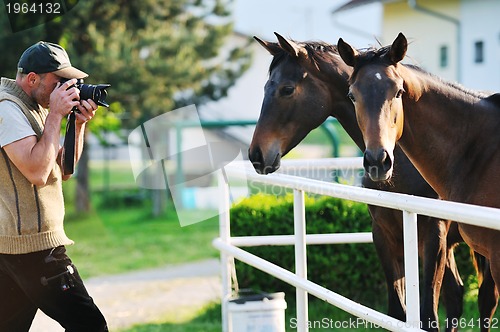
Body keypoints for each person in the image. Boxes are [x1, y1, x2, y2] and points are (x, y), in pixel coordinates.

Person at [0, 42, 108, 331]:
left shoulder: (34, 105)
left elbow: (62, 170)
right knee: (91, 327)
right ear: (32, 79)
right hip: (33, 249)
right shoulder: (7, 108)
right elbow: (36, 171)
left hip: (17, 247)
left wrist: (78, 124)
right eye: (59, 82)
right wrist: (56, 116)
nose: (68, 89)